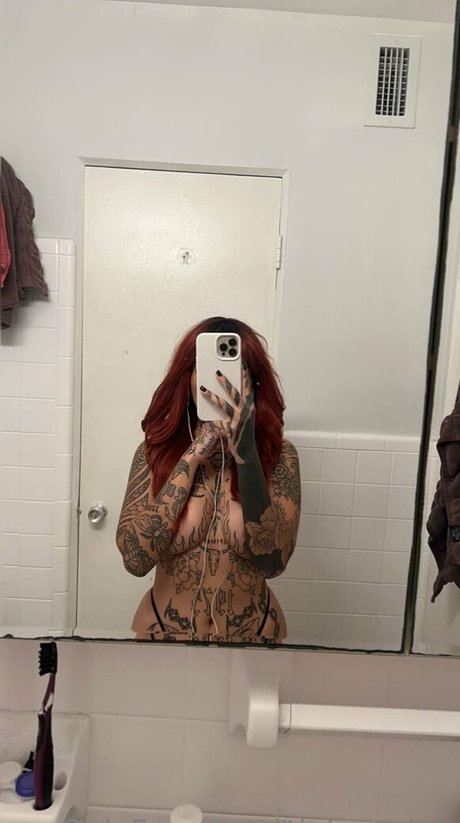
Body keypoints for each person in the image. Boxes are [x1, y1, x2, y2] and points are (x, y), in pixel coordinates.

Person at [116, 316, 301, 642]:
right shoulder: (154, 454)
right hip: (162, 635)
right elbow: (135, 560)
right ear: (186, 377)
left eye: (234, 370)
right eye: (205, 368)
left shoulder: (279, 457)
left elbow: (273, 561)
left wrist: (246, 455)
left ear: (254, 383)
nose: (219, 380)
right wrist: (194, 453)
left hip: (255, 638)